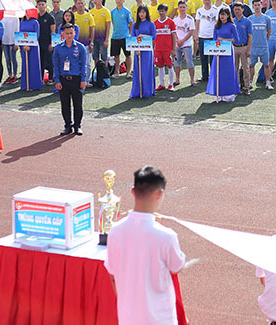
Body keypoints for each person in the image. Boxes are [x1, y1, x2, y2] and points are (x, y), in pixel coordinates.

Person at [104, 166, 185, 325]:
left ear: (133, 192)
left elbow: (112, 276)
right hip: (160, 319)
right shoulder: (166, 236)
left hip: (128, 318)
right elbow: (177, 266)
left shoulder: (115, 232)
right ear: (160, 193)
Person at [52, 23, 87, 135]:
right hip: (63, 79)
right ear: (63, 34)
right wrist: (57, 80)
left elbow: (84, 65)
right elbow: (56, 65)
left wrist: (83, 80)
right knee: (65, 104)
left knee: (78, 104)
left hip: (76, 79)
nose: (69, 35)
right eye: (67, 33)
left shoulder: (80, 47)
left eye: (71, 33)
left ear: (74, 33)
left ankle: (77, 126)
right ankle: (67, 126)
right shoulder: (58, 48)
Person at [206, 8, 240, 102]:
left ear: (228, 15)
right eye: (221, 14)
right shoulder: (216, 26)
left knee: (228, 72)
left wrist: (225, 40)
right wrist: (217, 43)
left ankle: (229, 94)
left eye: (224, 14)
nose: (222, 16)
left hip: (228, 51)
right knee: (218, 72)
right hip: (218, 51)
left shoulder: (232, 26)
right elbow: (214, 39)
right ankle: (218, 93)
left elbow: (237, 40)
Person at [130, 6, 156, 99]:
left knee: (146, 70)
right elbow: (133, 36)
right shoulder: (134, 24)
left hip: (147, 51)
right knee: (138, 70)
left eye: (143, 12)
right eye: (140, 12)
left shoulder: (150, 24)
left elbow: (154, 36)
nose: (141, 14)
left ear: (147, 13)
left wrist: (144, 36)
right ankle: (137, 91)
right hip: (138, 51)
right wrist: (136, 49)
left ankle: (147, 91)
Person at [248, 0, 272, 90]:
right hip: (253, 46)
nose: (257, 7)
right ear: (253, 6)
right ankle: (250, 82)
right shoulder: (250, 19)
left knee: (266, 65)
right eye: (255, 5)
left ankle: (268, 82)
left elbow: (269, 31)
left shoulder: (266, 18)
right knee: (251, 65)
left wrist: (266, 40)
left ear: (261, 6)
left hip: (264, 46)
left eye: (259, 5)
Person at [194, 0, 218, 82]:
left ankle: (213, 76)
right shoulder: (199, 10)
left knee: (212, 58)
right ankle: (205, 76)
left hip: (212, 37)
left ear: (211, 0)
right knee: (203, 58)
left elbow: (217, 24)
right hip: (202, 37)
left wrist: (216, 36)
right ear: (203, 0)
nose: (207, 1)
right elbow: (197, 23)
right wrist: (196, 35)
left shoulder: (215, 10)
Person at [110, 0, 134, 78]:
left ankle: (128, 72)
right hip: (115, 37)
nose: (118, 1)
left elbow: (131, 23)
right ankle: (117, 72)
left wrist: (130, 34)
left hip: (125, 37)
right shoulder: (112, 12)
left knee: (128, 55)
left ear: (123, 0)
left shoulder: (127, 12)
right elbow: (113, 22)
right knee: (116, 55)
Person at [153, 4, 177, 91]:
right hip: (158, 49)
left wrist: (174, 49)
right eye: (160, 11)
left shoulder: (171, 22)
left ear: (166, 12)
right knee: (160, 66)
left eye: (163, 11)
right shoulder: (155, 23)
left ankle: (171, 84)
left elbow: (174, 36)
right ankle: (162, 84)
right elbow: (153, 38)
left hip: (168, 49)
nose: (161, 12)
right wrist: (153, 49)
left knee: (170, 66)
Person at [173, 0, 196, 87]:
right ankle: (177, 79)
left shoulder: (190, 19)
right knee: (177, 63)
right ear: (178, 8)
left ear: (187, 8)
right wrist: (177, 41)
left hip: (186, 44)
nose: (182, 9)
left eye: (183, 7)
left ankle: (192, 80)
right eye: (180, 7)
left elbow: (191, 32)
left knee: (189, 62)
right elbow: (173, 32)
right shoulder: (175, 19)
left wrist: (182, 41)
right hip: (177, 44)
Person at [231, 2, 253, 95]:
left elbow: (250, 37)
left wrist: (248, 49)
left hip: (244, 47)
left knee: (245, 68)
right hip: (234, 47)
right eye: (235, 9)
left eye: (238, 9)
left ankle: (246, 87)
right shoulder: (232, 21)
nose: (237, 11)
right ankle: (236, 86)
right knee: (234, 68)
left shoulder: (247, 21)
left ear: (242, 10)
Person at [18, 13, 42, 92]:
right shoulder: (22, 22)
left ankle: (35, 85)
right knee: (25, 64)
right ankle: (26, 84)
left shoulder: (35, 22)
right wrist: (23, 45)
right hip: (24, 47)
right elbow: (20, 34)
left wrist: (30, 45)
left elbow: (37, 35)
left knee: (33, 64)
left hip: (33, 46)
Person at [89, 0, 112, 68]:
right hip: (94, 39)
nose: (95, 1)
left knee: (104, 57)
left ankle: (104, 73)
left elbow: (108, 26)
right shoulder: (91, 12)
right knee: (95, 57)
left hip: (102, 39)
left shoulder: (106, 12)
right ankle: (97, 72)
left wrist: (106, 40)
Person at [1, 15, 20, 84]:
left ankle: (15, 75)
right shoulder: (3, 16)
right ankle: (10, 75)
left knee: (13, 59)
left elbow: (17, 29)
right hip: (5, 41)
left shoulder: (15, 17)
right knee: (7, 59)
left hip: (12, 41)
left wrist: (16, 43)